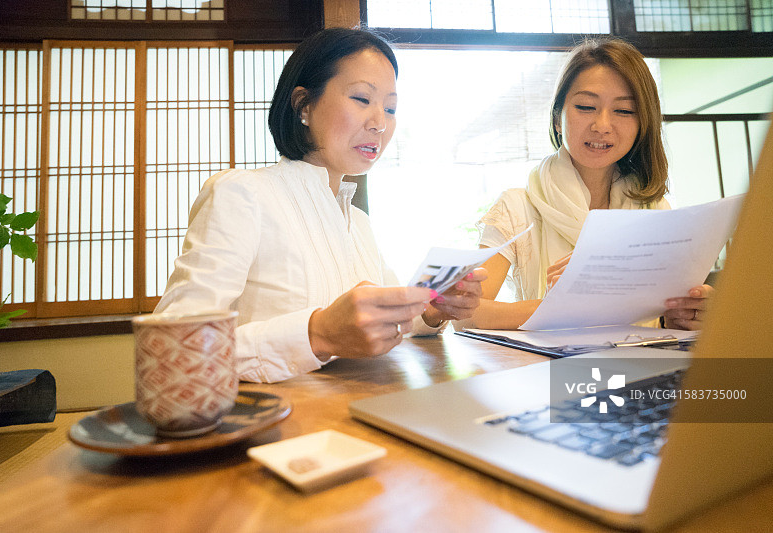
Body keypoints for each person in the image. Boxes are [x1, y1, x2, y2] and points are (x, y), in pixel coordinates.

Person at [156, 28, 485, 383]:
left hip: (357, 416)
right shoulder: (243, 194)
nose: (379, 123)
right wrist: (317, 333)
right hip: (274, 423)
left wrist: (433, 308)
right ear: (304, 105)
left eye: (390, 107)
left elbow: (390, 321)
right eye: (362, 98)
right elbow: (173, 348)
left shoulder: (357, 222)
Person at [472, 38, 710, 331]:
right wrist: (566, 306)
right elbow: (468, 312)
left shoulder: (656, 210)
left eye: (623, 111)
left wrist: (684, 315)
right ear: (558, 119)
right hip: (549, 373)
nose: (602, 125)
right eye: (586, 106)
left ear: (642, 124)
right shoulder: (517, 207)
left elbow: (668, 318)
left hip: (640, 370)